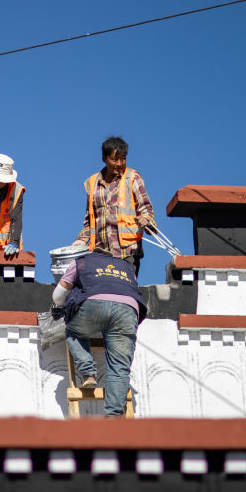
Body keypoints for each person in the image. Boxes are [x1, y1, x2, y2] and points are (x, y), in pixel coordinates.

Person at [52, 249, 146, 418]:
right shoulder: (127, 267)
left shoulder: (82, 261)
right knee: (119, 367)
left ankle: (88, 372)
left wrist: (62, 304)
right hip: (128, 310)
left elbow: (58, 296)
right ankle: (114, 416)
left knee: (73, 332)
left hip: (93, 305)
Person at [73, 136, 156, 275]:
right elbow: (90, 221)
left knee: (124, 288)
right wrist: (81, 240)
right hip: (100, 253)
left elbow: (146, 209)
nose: (119, 163)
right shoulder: (92, 184)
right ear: (104, 159)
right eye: (115, 159)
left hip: (127, 252)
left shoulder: (132, 178)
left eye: (123, 159)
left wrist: (146, 219)